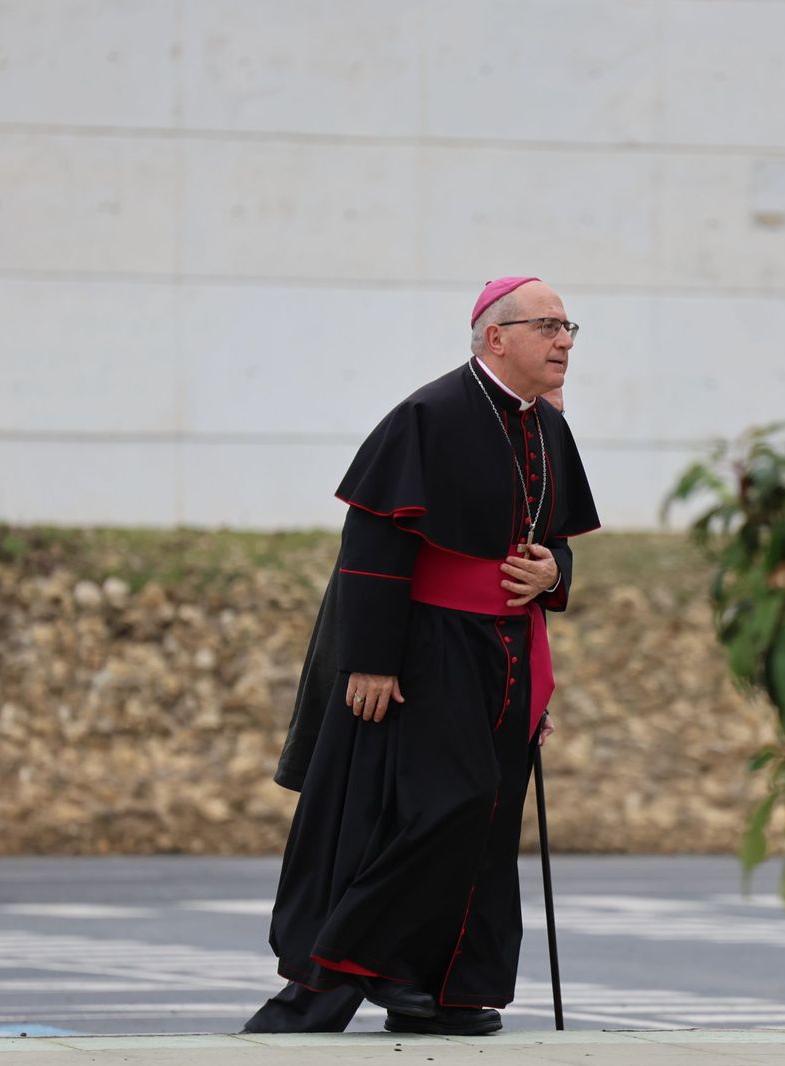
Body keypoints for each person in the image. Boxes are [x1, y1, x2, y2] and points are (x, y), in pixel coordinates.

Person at [261, 277, 597, 1037]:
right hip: (427, 647)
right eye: (548, 326)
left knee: (488, 819)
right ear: (495, 336)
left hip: (507, 649)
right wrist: (371, 661)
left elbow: (557, 545)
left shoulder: (545, 424)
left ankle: (441, 991)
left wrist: (552, 578)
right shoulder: (429, 414)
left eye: (570, 326)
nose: (565, 341)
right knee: (449, 804)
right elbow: (374, 542)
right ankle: (343, 966)